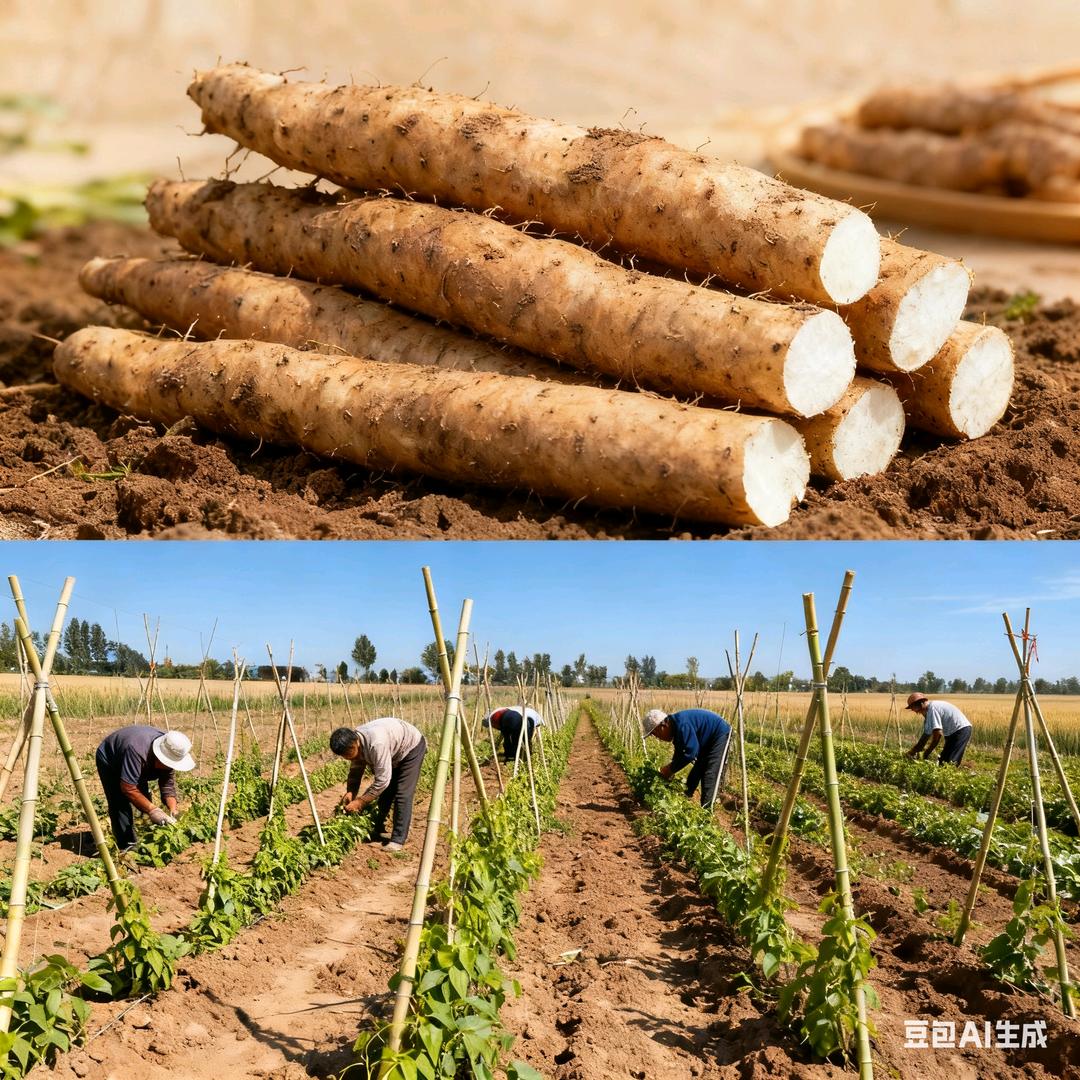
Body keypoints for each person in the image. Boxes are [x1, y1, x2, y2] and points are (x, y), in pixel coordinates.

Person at [329, 717, 427, 851]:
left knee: (402, 793)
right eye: (344, 756)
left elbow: (382, 780)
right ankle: (377, 828)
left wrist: (361, 801)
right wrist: (351, 791)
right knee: (386, 792)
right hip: (393, 750)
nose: (347, 758)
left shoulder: (376, 744)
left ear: (355, 743)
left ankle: (398, 840)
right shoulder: (356, 742)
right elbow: (356, 771)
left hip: (411, 747)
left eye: (347, 754)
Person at [94, 726, 196, 852]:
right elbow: (128, 788)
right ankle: (126, 846)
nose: (169, 766)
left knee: (143, 798)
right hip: (110, 759)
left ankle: (144, 833)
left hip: (136, 759)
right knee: (119, 802)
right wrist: (153, 810)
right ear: (159, 756)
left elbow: (167, 786)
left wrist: (173, 811)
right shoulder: (137, 750)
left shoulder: (172, 749)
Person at [642, 707, 732, 808]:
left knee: (709, 774)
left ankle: (706, 814)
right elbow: (680, 753)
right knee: (697, 769)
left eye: (656, 734)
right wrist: (671, 769)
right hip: (708, 739)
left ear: (662, 726)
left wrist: (670, 769)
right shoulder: (676, 727)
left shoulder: (682, 725)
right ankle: (685, 796)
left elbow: (690, 753)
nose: (658, 738)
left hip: (719, 734)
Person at [904, 693, 973, 766]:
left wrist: (927, 752)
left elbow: (938, 734)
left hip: (961, 730)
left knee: (951, 762)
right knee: (943, 762)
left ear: (921, 703)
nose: (913, 710)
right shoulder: (928, 714)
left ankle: (952, 775)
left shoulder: (933, 709)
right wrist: (912, 752)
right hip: (952, 733)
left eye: (913, 707)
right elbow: (924, 738)